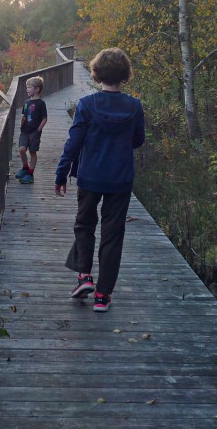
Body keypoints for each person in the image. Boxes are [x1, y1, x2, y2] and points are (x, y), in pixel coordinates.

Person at [55, 48, 145, 312]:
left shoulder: (87, 105)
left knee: (84, 225)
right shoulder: (134, 106)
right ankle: (103, 296)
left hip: (90, 176)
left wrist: (61, 174)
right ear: (124, 74)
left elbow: (74, 143)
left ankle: (84, 275)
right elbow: (138, 140)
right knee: (112, 235)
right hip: (120, 179)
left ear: (96, 73)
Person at [15, 76, 48, 185]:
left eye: (29, 87)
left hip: (34, 132)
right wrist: (21, 126)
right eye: (27, 87)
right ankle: (25, 167)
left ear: (37, 89)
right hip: (24, 131)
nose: (27, 89)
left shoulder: (41, 103)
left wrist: (38, 130)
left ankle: (30, 174)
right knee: (21, 149)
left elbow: (44, 118)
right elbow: (24, 115)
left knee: (32, 152)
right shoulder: (26, 102)